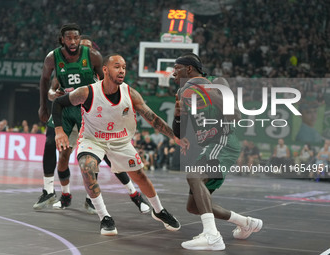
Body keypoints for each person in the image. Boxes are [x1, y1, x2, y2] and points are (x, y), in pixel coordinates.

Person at [52, 53, 181, 235]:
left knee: (140, 177)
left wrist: (174, 136)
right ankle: (104, 216)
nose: (121, 71)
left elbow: (152, 118)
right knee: (87, 167)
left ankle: (159, 211)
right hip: (93, 140)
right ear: (105, 69)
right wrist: (59, 131)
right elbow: (58, 103)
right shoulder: (87, 92)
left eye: (124, 67)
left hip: (120, 141)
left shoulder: (130, 93)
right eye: (117, 67)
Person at [34, 25, 149, 214]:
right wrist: (49, 99)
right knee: (56, 149)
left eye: (78, 40)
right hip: (65, 109)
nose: (75, 43)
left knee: (106, 156)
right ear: (63, 40)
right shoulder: (55, 59)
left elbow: (112, 85)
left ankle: (134, 195)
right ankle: (58, 194)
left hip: (89, 110)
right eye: (70, 39)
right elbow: (51, 86)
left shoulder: (95, 62)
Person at [172, 53, 263, 251]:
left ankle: (212, 236)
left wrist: (202, 90)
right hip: (209, 146)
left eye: (176, 69)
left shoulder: (217, 82)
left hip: (223, 141)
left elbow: (236, 115)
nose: (172, 74)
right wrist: (177, 114)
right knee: (194, 206)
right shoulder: (182, 93)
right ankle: (246, 222)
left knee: (194, 176)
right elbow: (179, 132)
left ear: (189, 69)